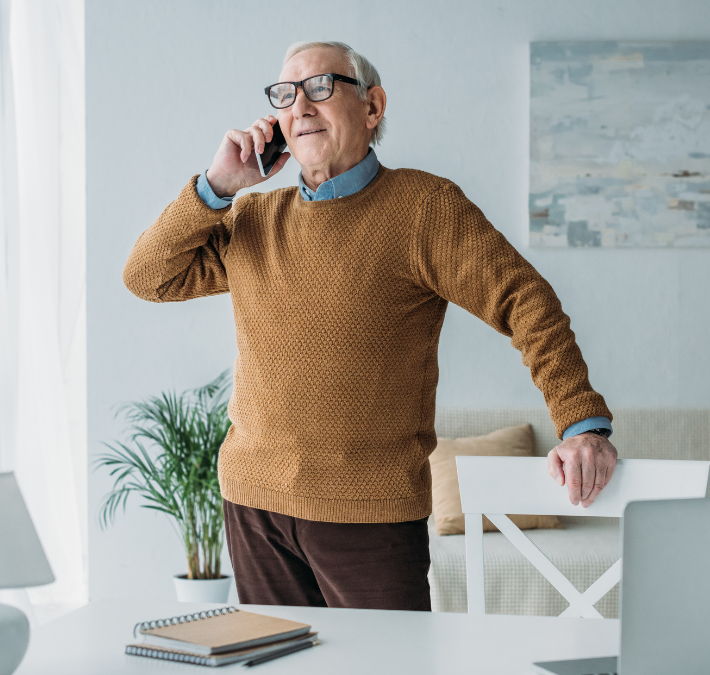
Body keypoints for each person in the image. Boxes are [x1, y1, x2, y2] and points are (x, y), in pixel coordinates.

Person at [123, 41, 617, 612]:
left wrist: (581, 423)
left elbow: (524, 300)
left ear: (372, 106)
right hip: (253, 503)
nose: (300, 107)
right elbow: (147, 278)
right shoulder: (254, 218)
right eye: (285, 95)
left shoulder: (423, 208)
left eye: (320, 87)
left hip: (371, 512)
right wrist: (217, 185)